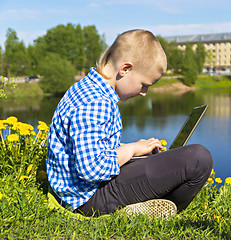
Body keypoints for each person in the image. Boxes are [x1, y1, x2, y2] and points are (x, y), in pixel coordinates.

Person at [46, 29, 213, 218]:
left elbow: (90, 148)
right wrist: (131, 150)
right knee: (199, 159)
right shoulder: (96, 103)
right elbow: (92, 169)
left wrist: (135, 149)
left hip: (82, 191)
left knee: (163, 159)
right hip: (89, 199)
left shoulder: (87, 89)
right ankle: (159, 211)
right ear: (125, 69)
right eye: (144, 85)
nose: (144, 93)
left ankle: (147, 205)